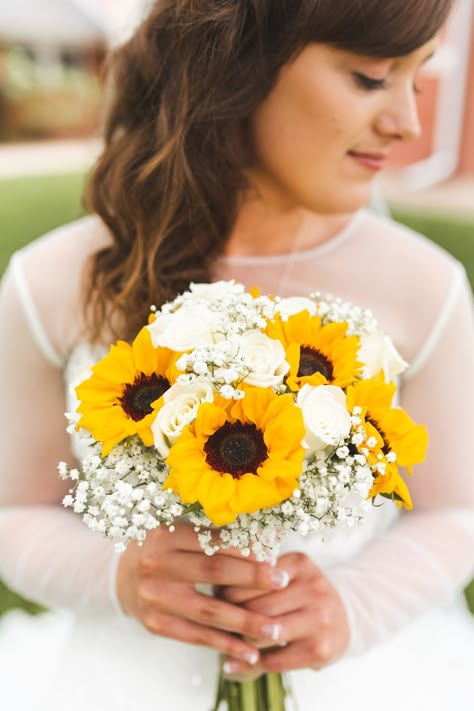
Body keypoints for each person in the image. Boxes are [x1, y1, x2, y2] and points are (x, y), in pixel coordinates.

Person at [0, 1, 473, 709]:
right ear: (239, 69)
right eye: (372, 79)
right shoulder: (54, 281)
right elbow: (14, 509)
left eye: (418, 77)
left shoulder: (426, 287)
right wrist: (119, 577)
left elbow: (454, 513)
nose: (405, 122)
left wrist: (350, 606)